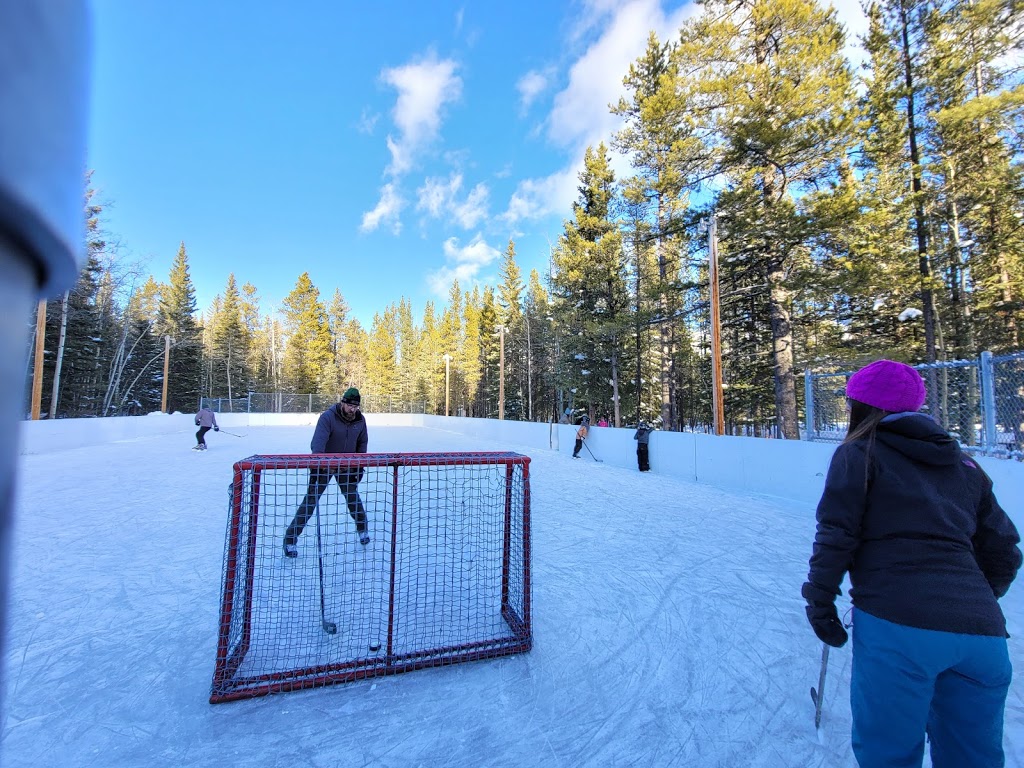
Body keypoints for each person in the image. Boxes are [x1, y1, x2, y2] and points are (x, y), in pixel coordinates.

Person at [802, 359, 1021, 767]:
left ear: (862, 407)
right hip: (983, 636)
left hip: (898, 624)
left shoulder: (860, 453)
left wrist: (819, 601)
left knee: (889, 753)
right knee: (974, 756)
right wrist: (969, 598)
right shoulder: (966, 465)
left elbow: (837, 533)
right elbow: (1005, 549)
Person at [0, 0, 90, 713]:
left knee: (344, 492)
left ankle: (359, 516)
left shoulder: (356, 424)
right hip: (320, 464)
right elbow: (325, 438)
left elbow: (354, 440)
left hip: (342, 468)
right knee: (310, 498)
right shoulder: (328, 423)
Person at [283, 387, 369, 557]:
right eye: (350, 406)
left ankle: (363, 529)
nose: (353, 410)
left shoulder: (360, 420)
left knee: (352, 498)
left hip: (346, 465)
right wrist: (317, 464)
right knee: (310, 502)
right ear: (342, 403)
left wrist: (359, 466)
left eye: (356, 407)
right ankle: (290, 540)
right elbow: (318, 442)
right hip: (325, 465)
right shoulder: (328, 417)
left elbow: (362, 443)